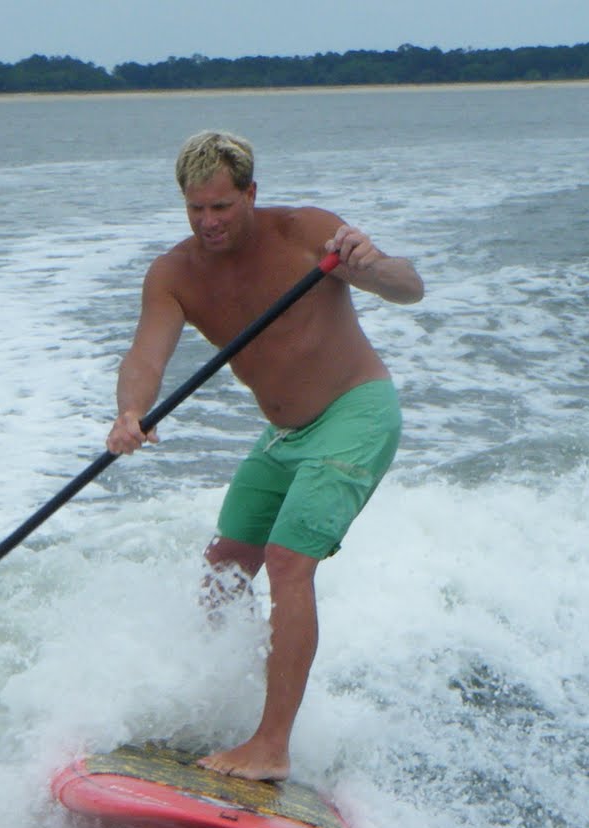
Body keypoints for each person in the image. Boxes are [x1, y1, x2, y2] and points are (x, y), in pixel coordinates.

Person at [107, 130, 424, 781]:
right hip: (284, 436)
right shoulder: (175, 274)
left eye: (222, 207)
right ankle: (238, 702)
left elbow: (408, 286)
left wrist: (368, 263)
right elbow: (146, 354)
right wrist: (129, 412)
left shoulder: (307, 232)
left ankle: (272, 744)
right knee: (223, 570)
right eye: (196, 209)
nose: (209, 222)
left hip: (356, 414)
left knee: (288, 561)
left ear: (251, 193)